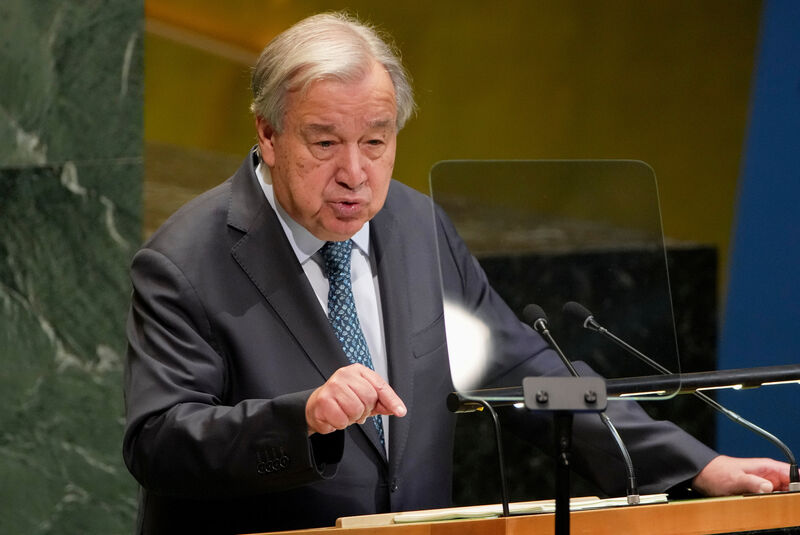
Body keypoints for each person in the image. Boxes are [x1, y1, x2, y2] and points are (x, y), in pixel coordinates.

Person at [122, 12, 792, 535]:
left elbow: (528, 377)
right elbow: (159, 442)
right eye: (325, 143)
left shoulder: (416, 227)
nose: (355, 172)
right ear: (267, 134)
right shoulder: (185, 262)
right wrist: (302, 419)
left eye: (377, 141)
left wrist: (693, 461)